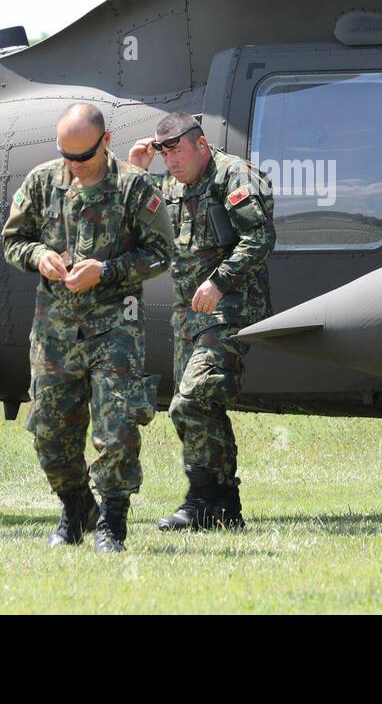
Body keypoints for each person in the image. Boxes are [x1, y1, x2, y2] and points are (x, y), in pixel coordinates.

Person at [1, 103, 174, 553]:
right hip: (54, 332)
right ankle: (76, 508)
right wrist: (39, 255)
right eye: (66, 154)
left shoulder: (134, 187)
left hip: (114, 329)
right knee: (50, 434)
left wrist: (109, 270)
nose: (73, 165)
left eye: (83, 156)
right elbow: (13, 241)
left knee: (116, 430)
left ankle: (112, 522)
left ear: (106, 142)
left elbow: (159, 254)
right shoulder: (42, 181)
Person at [129, 112, 276, 531]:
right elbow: (131, 221)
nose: (171, 164)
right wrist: (135, 172)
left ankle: (200, 501)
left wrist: (220, 281)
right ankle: (223, 509)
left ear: (201, 145)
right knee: (202, 410)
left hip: (231, 309)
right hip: (188, 316)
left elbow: (259, 238)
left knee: (190, 401)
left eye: (178, 154)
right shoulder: (169, 185)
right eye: (165, 156)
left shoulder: (233, 177)